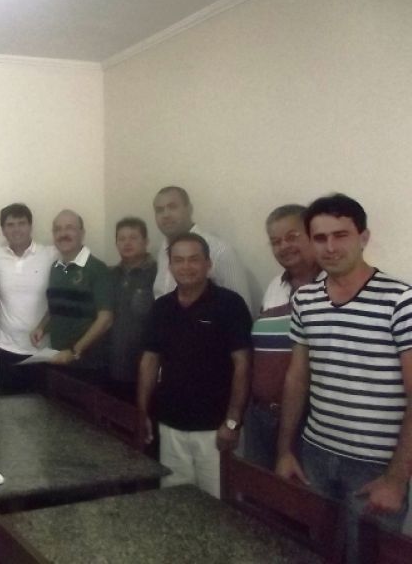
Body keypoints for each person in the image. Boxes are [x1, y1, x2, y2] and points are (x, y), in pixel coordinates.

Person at [275, 194, 412, 562]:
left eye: (341, 235)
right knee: (315, 551)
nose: (331, 247)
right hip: (315, 453)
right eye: (320, 238)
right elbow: (296, 379)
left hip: (375, 465)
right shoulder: (306, 300)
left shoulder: (401, 300)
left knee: (365, 558)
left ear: (363, 237)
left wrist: (397, 479)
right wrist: (285, 451)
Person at [138, 232, 251, 498]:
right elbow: (149, 361)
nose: (186, 266)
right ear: (170, 266)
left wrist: (233, 422)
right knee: (176, 502)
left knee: (218, 505)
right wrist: (142, 412)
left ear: (208, 264)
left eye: (193, 259)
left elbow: (243, 364)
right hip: (170, 425)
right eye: (178, 260)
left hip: (215, 429)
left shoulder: (230, 304)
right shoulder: (162, 307)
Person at [245, 204, 319, 470]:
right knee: (256, 491)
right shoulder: (275, 285)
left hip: (306, 422)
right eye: (276, 241)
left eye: (292, 237)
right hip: (261, 415)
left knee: (296, 493)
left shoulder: (332, 287)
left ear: (312, 235)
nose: (284, 246)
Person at [32, 210, 112, 384]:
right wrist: (41, 327)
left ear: (82, 233)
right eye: (57, 229)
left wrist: (75, 351)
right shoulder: (55, 268)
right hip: (58, 359)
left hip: (88, 365)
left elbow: (105, 319)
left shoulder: (98, 269)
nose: (63, 234)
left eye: (69, 228)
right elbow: (57, 307)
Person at [0, 203, 57, 395]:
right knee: (7, 408)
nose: (16, 229)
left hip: (41, 349)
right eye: (10, 225)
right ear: (3, 230)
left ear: (30, 226)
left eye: (21, 223)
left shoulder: (51, 254)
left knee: (42, 408)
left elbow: (65, 288)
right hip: (5, 348)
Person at [151, 186, 253, 310]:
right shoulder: (163, 251)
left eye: (172, 207)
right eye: (159, 210)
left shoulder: (219, 251)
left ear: (189, 209)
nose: (165, 215)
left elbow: (241, 310)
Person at [107, 216, 156, 403]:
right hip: (111, 365)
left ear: (146, 242)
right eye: (122, 238)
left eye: (133, 237)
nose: (127, 243)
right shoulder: (110, 275)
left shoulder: (157, 274)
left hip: (145, 367)